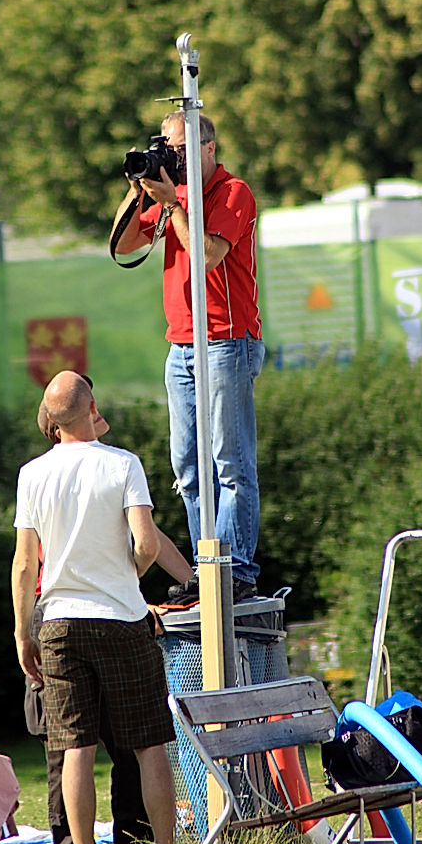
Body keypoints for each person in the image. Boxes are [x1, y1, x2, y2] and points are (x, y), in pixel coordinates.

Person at [12, 371, 177, 844]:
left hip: (59, 622)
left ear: (51, 419)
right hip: (122, 619)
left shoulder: (31, 474)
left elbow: (23, 564)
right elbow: (148, 545)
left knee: (74, 747)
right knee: (150, 745)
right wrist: (124, 574)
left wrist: (23, 633)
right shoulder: (123, 464)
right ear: (93, 408)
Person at [111, 111, 266, 606]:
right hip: (181, 343)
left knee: (230, 459)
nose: (172, 158)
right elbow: (124, 244)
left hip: (225, 339)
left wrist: (172, 202)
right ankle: (208, 564)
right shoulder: (169, 194)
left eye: (179, 150)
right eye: (167, 149)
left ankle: (236, 568)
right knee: (188, 466)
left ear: (208, 149)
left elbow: (206, 254)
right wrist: (141, 186)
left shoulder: (232, 192)